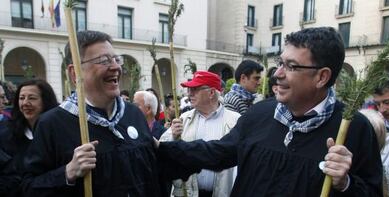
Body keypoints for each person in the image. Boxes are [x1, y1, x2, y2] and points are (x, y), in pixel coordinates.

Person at [158, 27, 383, 196]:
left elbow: (372, 191)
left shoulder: (353, 128)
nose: (277, 74)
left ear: (322, 76)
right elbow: (217, 152)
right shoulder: (260, 114)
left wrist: (345, 184)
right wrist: (160, 149)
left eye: (291, 66)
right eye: (280, 63)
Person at [21, 30, 163, 196]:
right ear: (75, 73)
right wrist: (67, 173)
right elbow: (29, 187)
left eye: (117, 59)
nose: (116, 67)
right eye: (104, 61)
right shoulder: (52, 124)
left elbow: (153, 174)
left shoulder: (133, 114)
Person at [160, 71, 240, 197]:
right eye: (189, 89)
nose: (189, 93)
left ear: (212, 93)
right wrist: (173, 137)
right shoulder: (183, 119)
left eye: (195, 89)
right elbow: (163, 149)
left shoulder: (235, 120)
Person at [0, 79, 59, 196]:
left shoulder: (59, 133)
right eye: (21, 98)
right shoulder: (6, 134)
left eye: (32, 98)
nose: (25, 103)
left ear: (45, 101)